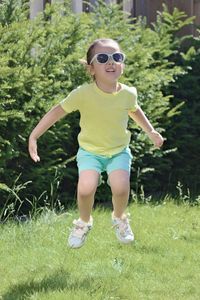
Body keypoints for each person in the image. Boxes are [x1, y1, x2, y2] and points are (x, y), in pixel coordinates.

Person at [28, 38, 164, 249]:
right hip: (90, 152)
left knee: (120, 188)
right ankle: (83, 222)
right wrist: (34, 136)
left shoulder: (128, 93)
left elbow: (135, 111)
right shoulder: (83, 94)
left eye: (116, 57)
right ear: (91, 69)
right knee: (85, 189)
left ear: (122, 64)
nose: (111, 62)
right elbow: (57, 111)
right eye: (103, 58)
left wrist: (151, 131)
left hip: (118, 151)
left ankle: (119, 218)